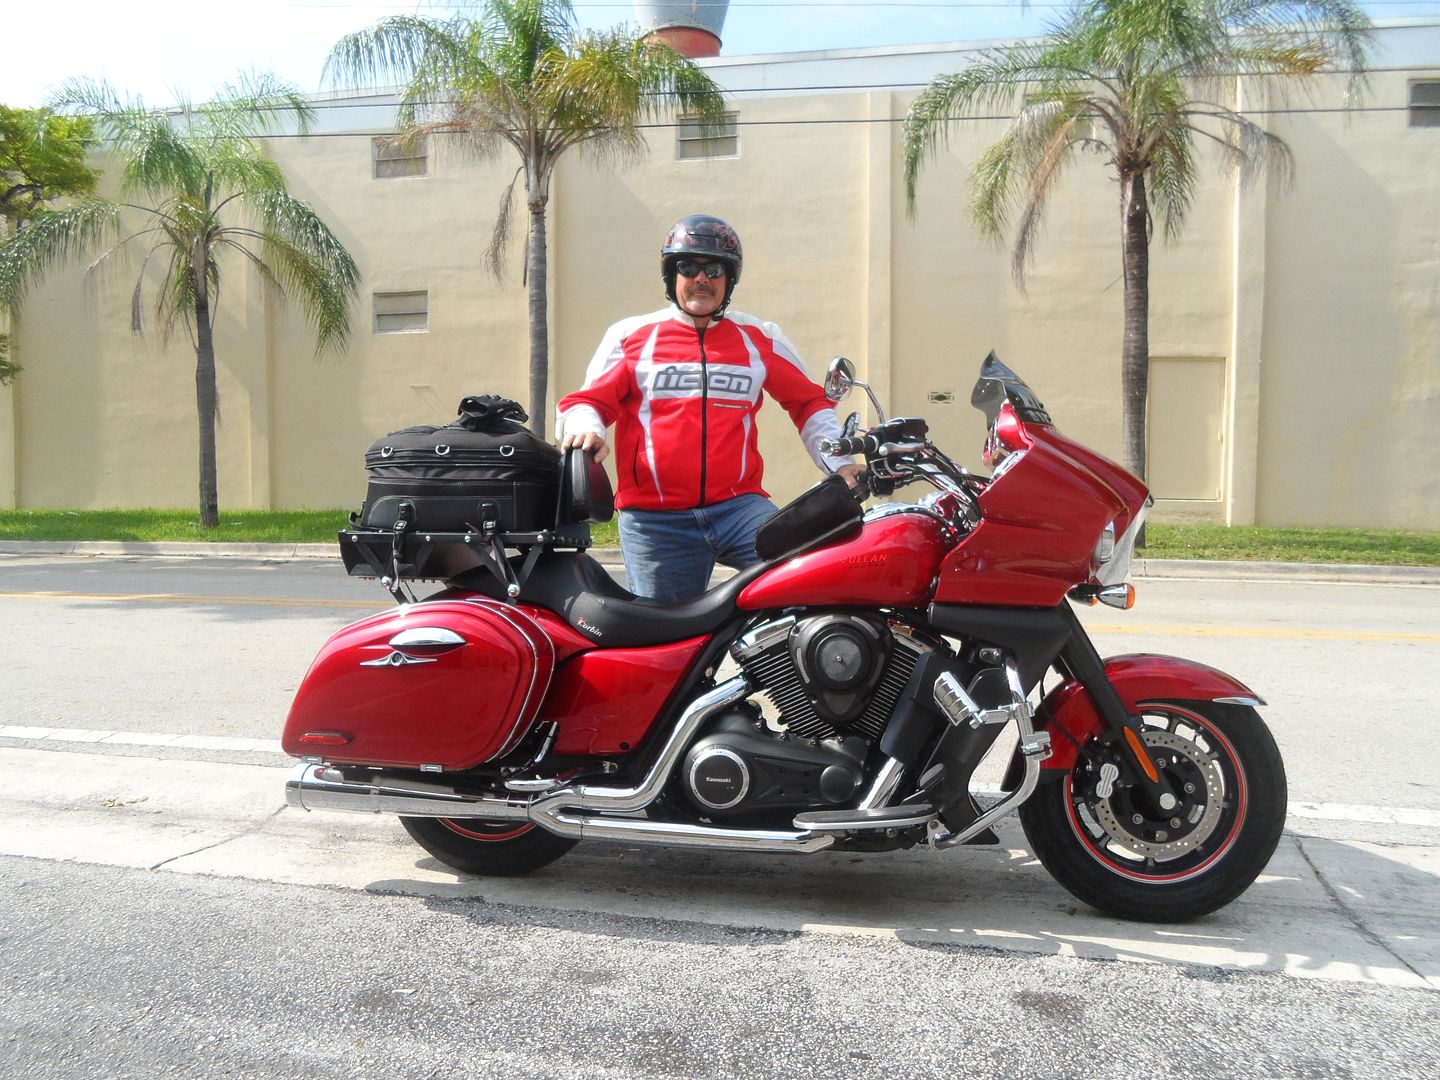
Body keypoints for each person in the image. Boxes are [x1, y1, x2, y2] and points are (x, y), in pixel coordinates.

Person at [557, 213, 863, 604]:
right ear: (671, 277)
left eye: (714, 269)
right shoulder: (631, 336)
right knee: (666, 644)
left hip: (739, 508)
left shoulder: (759, 337)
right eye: (688, 267)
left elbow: (807, 402)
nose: (702, 278)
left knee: (809, 584)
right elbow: (586, 403)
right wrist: (588, 428)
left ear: (729, 280)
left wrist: (841, 462)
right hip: (655, 520)